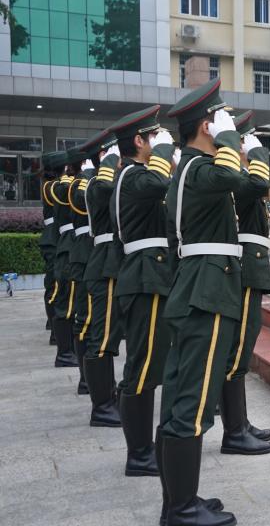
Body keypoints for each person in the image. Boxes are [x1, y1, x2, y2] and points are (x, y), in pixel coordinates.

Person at [160, 79, 252, 525]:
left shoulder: (189, 169)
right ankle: (181, 509)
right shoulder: (199, 168)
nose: (228, 124)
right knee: (193, 400)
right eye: (221, 118)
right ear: (206, 126)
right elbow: (234, 175)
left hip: (195, 285)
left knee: (182, 395)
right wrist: (229, 137)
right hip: (207, 291)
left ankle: (179, 500)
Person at [108, 105, 175, 479]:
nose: (160, 141)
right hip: (144, 278)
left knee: (147, 364)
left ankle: (142, 448)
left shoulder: (133, 176)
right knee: (142, 366)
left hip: (150, 275)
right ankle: (138, 453)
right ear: (138, 141)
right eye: (154, 136)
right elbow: (159, 182)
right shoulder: (133, 176)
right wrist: (165, 149)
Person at [220, 111, 270, 455]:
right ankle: (234, 432)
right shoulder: (235, 178)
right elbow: (259, 184)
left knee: (242, 347)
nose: (251, 146)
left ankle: (240, 423)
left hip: (249, 267)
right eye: (246, 140)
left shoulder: (237, 176)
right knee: (237, 349)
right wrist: (257, 155)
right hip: (243, 267)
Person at [80, 128, 123, 427]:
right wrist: (108, 161)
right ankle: (102, 407)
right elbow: (106, 189)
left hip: (111, 261)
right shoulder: (97, 183)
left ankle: (109, 396)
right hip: (104, 264)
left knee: (108, 336)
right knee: (102, 336)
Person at [68, 146, 97, 394]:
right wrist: (88, 176)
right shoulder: (78, 183)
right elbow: (80, 202)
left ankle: (93, 380)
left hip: (95, 252)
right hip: (84, 252)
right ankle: (86, 379)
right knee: (86, 319)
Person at [50, 148, 81, 369]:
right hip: (69, 245)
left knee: (71, 303)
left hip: (72, 244)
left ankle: (68, 351)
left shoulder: (69, 183)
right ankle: (64, 353)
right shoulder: (63, 185)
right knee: (66, 304)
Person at [39, 152, 63, 345]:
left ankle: (54, 324)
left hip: (55, 237)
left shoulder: (52, 184)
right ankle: (56, 332)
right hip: (53, 239)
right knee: (54, 285)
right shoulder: (50, 186)